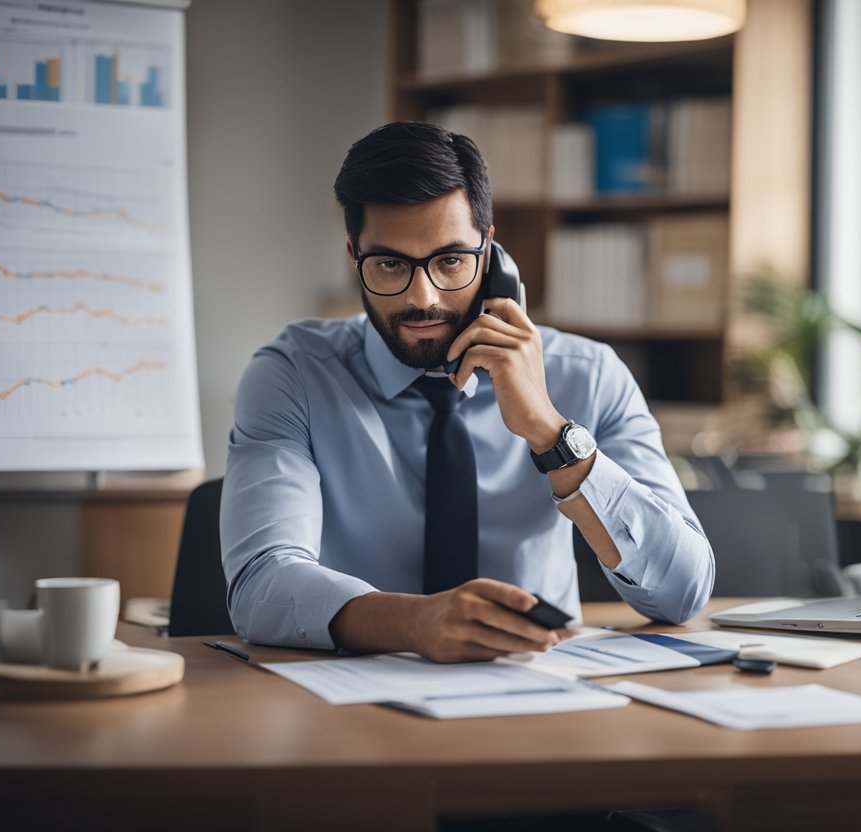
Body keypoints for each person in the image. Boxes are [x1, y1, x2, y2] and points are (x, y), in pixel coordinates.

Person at [221, 121, 714, 661]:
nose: (424, 297)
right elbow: (259, 587)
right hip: (356, 701)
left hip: (543, 698)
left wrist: (550, 432)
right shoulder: (293, 375)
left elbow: (682, 594)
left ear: (491, 254)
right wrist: (415, 623)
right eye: (389, 264)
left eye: (450, 260)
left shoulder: (590, 375)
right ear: (352, 254)